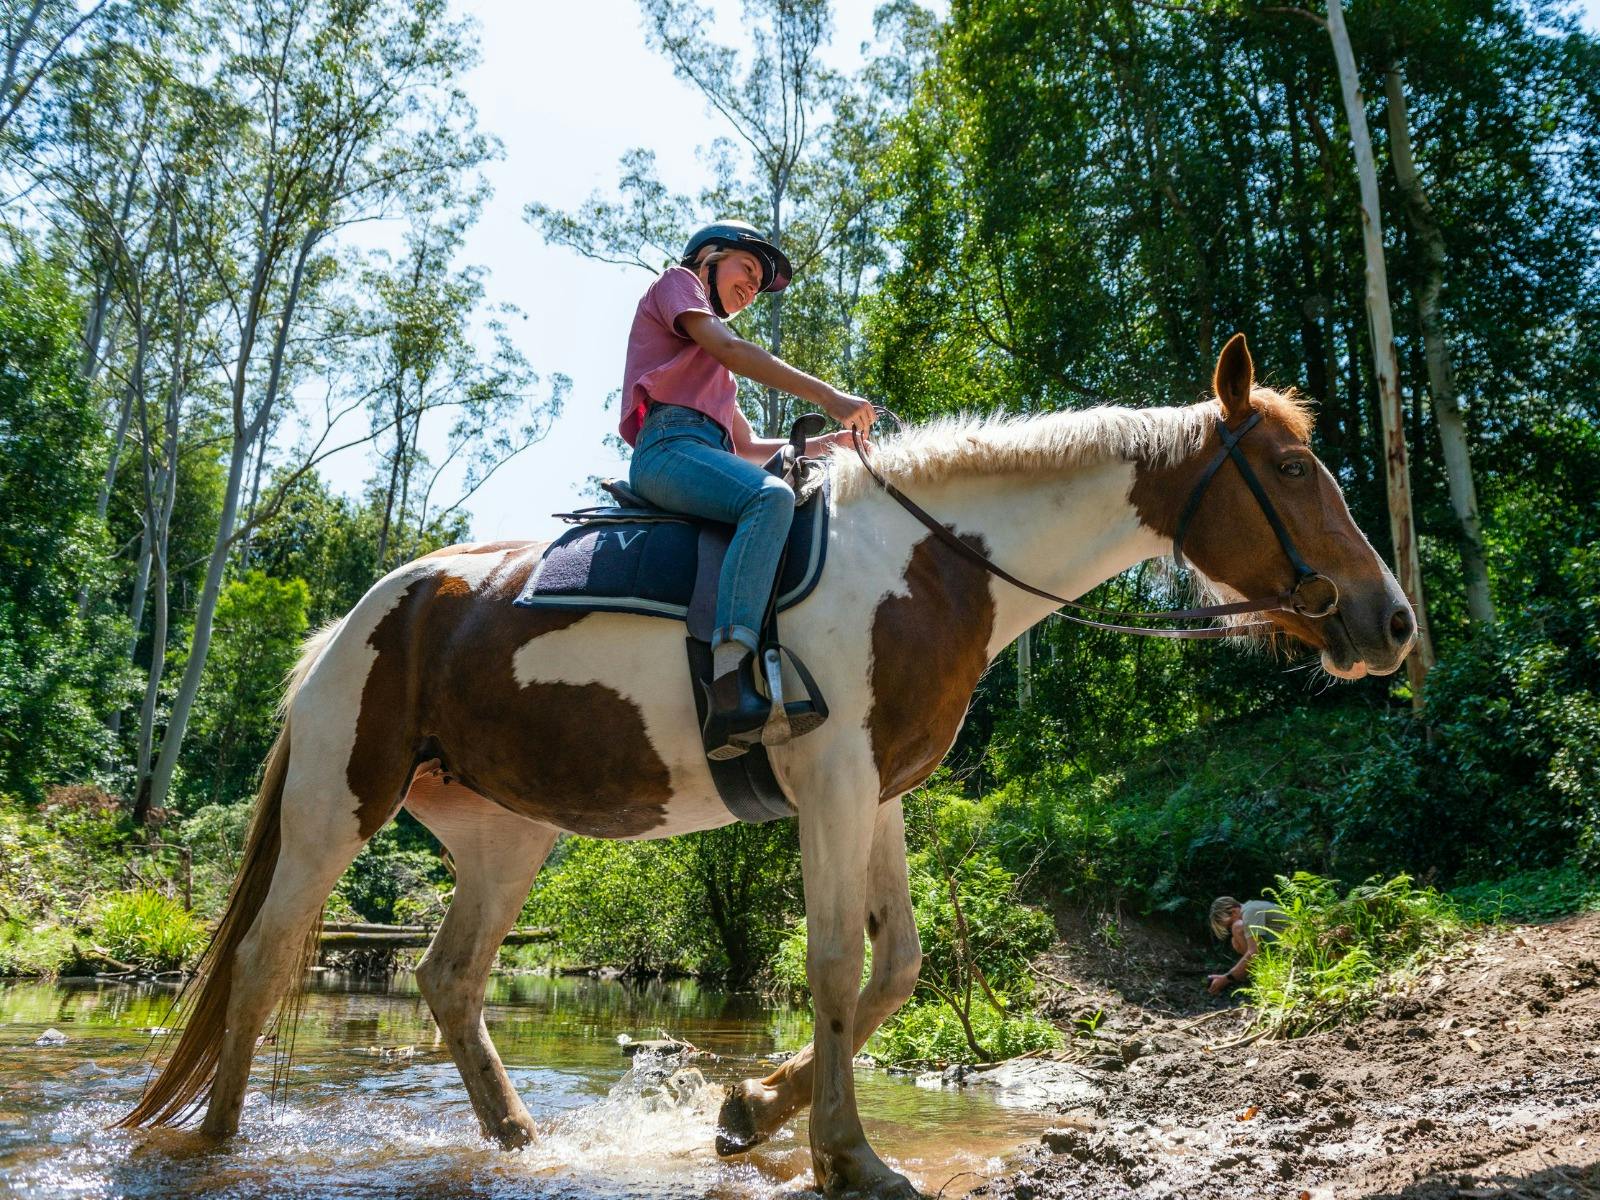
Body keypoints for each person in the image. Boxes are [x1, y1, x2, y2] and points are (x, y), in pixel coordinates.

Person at [620, 219, 876, 761]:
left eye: (760, 284)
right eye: (749, 269)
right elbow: (731, 347)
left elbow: (749, 447)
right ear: (709, 257)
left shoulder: (718, 373)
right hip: (667, 449)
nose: (753, 288)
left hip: (704, 452)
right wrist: (830, 396)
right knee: (769, 497)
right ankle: (730, 680)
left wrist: (829, 443)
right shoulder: (677, 283)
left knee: (773, 492)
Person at [1206, 895, 1288, 994]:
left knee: (1237, 928)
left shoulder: (1250, 911)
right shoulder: (1251, 907)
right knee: (1234, 941)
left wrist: (1227, 978)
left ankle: (1263, 974)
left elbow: (1254, 952)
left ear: (1233, 911)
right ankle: (1260, 973)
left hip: (1291, 946)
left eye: (1230, 924)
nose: (1231, 928)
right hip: (1285, 944)